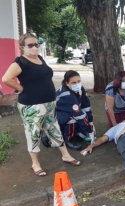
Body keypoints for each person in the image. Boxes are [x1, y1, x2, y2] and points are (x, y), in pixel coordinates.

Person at [1, 33, 81, 177]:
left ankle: (66, 155)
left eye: (36, 44)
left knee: (54, 129)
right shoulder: (20, 63)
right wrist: (20, 89)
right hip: (31, 106)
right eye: (30, 45)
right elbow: (6, 78)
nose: (34, 47)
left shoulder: (40, 59)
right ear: (22, 47)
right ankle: (35, 164)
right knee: (34, 134)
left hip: (49, 102)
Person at [55, 70, 95, 151]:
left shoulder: (80, 88)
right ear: (67, 83)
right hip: (59, 115)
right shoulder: (67, 94)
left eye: (78, 81)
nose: (77, 84)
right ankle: (68, 140)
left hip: (71, 112)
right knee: (72, 119)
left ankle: (76, 134)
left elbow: (86, 105)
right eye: (73, 82)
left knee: (83, 116)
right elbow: (78, 114)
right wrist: (90, 129)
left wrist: (90, 122)